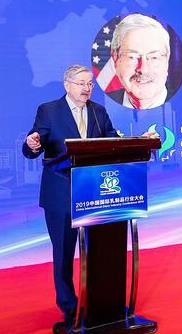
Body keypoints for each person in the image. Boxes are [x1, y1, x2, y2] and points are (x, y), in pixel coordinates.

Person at [22, 64, 119, 333]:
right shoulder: (48, 110)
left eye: (90, 84)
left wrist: (132, 141)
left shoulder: (98, 111)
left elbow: (111, 140)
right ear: (67, 85)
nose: (87, 88)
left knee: (101, 250)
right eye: (81, 83)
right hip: (60, 193)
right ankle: (69, 309)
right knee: (64, 253)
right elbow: (32, 146)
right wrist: (32, 144)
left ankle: (100, 305)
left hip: (95, 193)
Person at [110, 13, 171, 110]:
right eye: (132, 57)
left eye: (154, 57)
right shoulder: (101, 105)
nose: (143, 69)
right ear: (115, 58)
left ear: (167, 60)